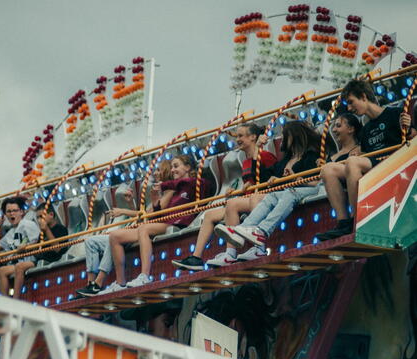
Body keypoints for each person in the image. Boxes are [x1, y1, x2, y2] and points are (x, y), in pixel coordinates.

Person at [214, 121, 331, 258]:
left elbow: (317, 182)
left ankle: (262, 231)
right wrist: (273, 179)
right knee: (272, 195)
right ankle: (242, 229)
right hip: (290, 191)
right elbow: (264, 175)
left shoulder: (311, 156)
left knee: (288, 193)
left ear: (293, 135)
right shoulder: (285, 160)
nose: (282, 138)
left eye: (284, 134)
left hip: (309, 190)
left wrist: (295, 178)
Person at [172, 123, 277, 270]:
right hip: (248, 199)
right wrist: (239, 190)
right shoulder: (246, 161)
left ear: (253, 137)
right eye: (237, 136)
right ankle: (196, 258)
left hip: (263, 198)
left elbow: (270, 177)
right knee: (209, 215)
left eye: (241, 136)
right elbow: (250, 182)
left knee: (232, 204)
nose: (237, 139)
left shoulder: (266, 156)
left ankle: (232, 253)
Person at [104, 155, 208, 292]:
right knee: (115, 236)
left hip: (178, 223)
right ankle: (120, 282)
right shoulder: (174, 190)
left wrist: (163, 185)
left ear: (188, 167)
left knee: (143, 229)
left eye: (176, 166)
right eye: (172, 167)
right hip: (164, 222)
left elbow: (195, 184)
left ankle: (145, 276)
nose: (173, 170)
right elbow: (160, 214)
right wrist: (155, 203)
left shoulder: (196, 183)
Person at [318, 79, 404, 240]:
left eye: (351, 102)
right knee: (328, 169)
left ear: (363, 97)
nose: (349, 108)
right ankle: (344, 222)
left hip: (395, 164)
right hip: (375, 166)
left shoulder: (395, 113)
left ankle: (358, 218)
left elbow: (411, 139)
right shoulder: (366, 130)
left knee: (352, 162)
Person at [77, 161, 174, 297]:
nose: (155, 173)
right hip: (141, 227)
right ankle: (90, 284)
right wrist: (130, 204)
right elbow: (142, 217)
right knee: (90, 242)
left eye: (159, 170)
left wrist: (123, 211)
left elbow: (151, 215)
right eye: (156, 170)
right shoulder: (157, 191)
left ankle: (98, 284)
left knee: (114, 236)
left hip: (149, 229)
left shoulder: (168, 192)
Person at [0, 196, 40, 294]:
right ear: (5, 214)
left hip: (29, 261)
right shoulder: (10, 232)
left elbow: (36, 242)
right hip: (14, 264)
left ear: (22, 212)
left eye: (15, 210)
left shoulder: (28, 224)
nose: (12, 214)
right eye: (9, 212)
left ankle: (9, 301)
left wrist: (26, 246)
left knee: (2, 271)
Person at [8, 203, 69, 298]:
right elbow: (37, 246)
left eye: (41, 216)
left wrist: (47, 230)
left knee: (20, 267)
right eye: (38, 217)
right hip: (39, 259)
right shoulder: (42, 232)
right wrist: (25, 246)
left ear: (51, 215)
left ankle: (15, 298)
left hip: (51, 259)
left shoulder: (60, 229)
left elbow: (57, 249)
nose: (40, 220)